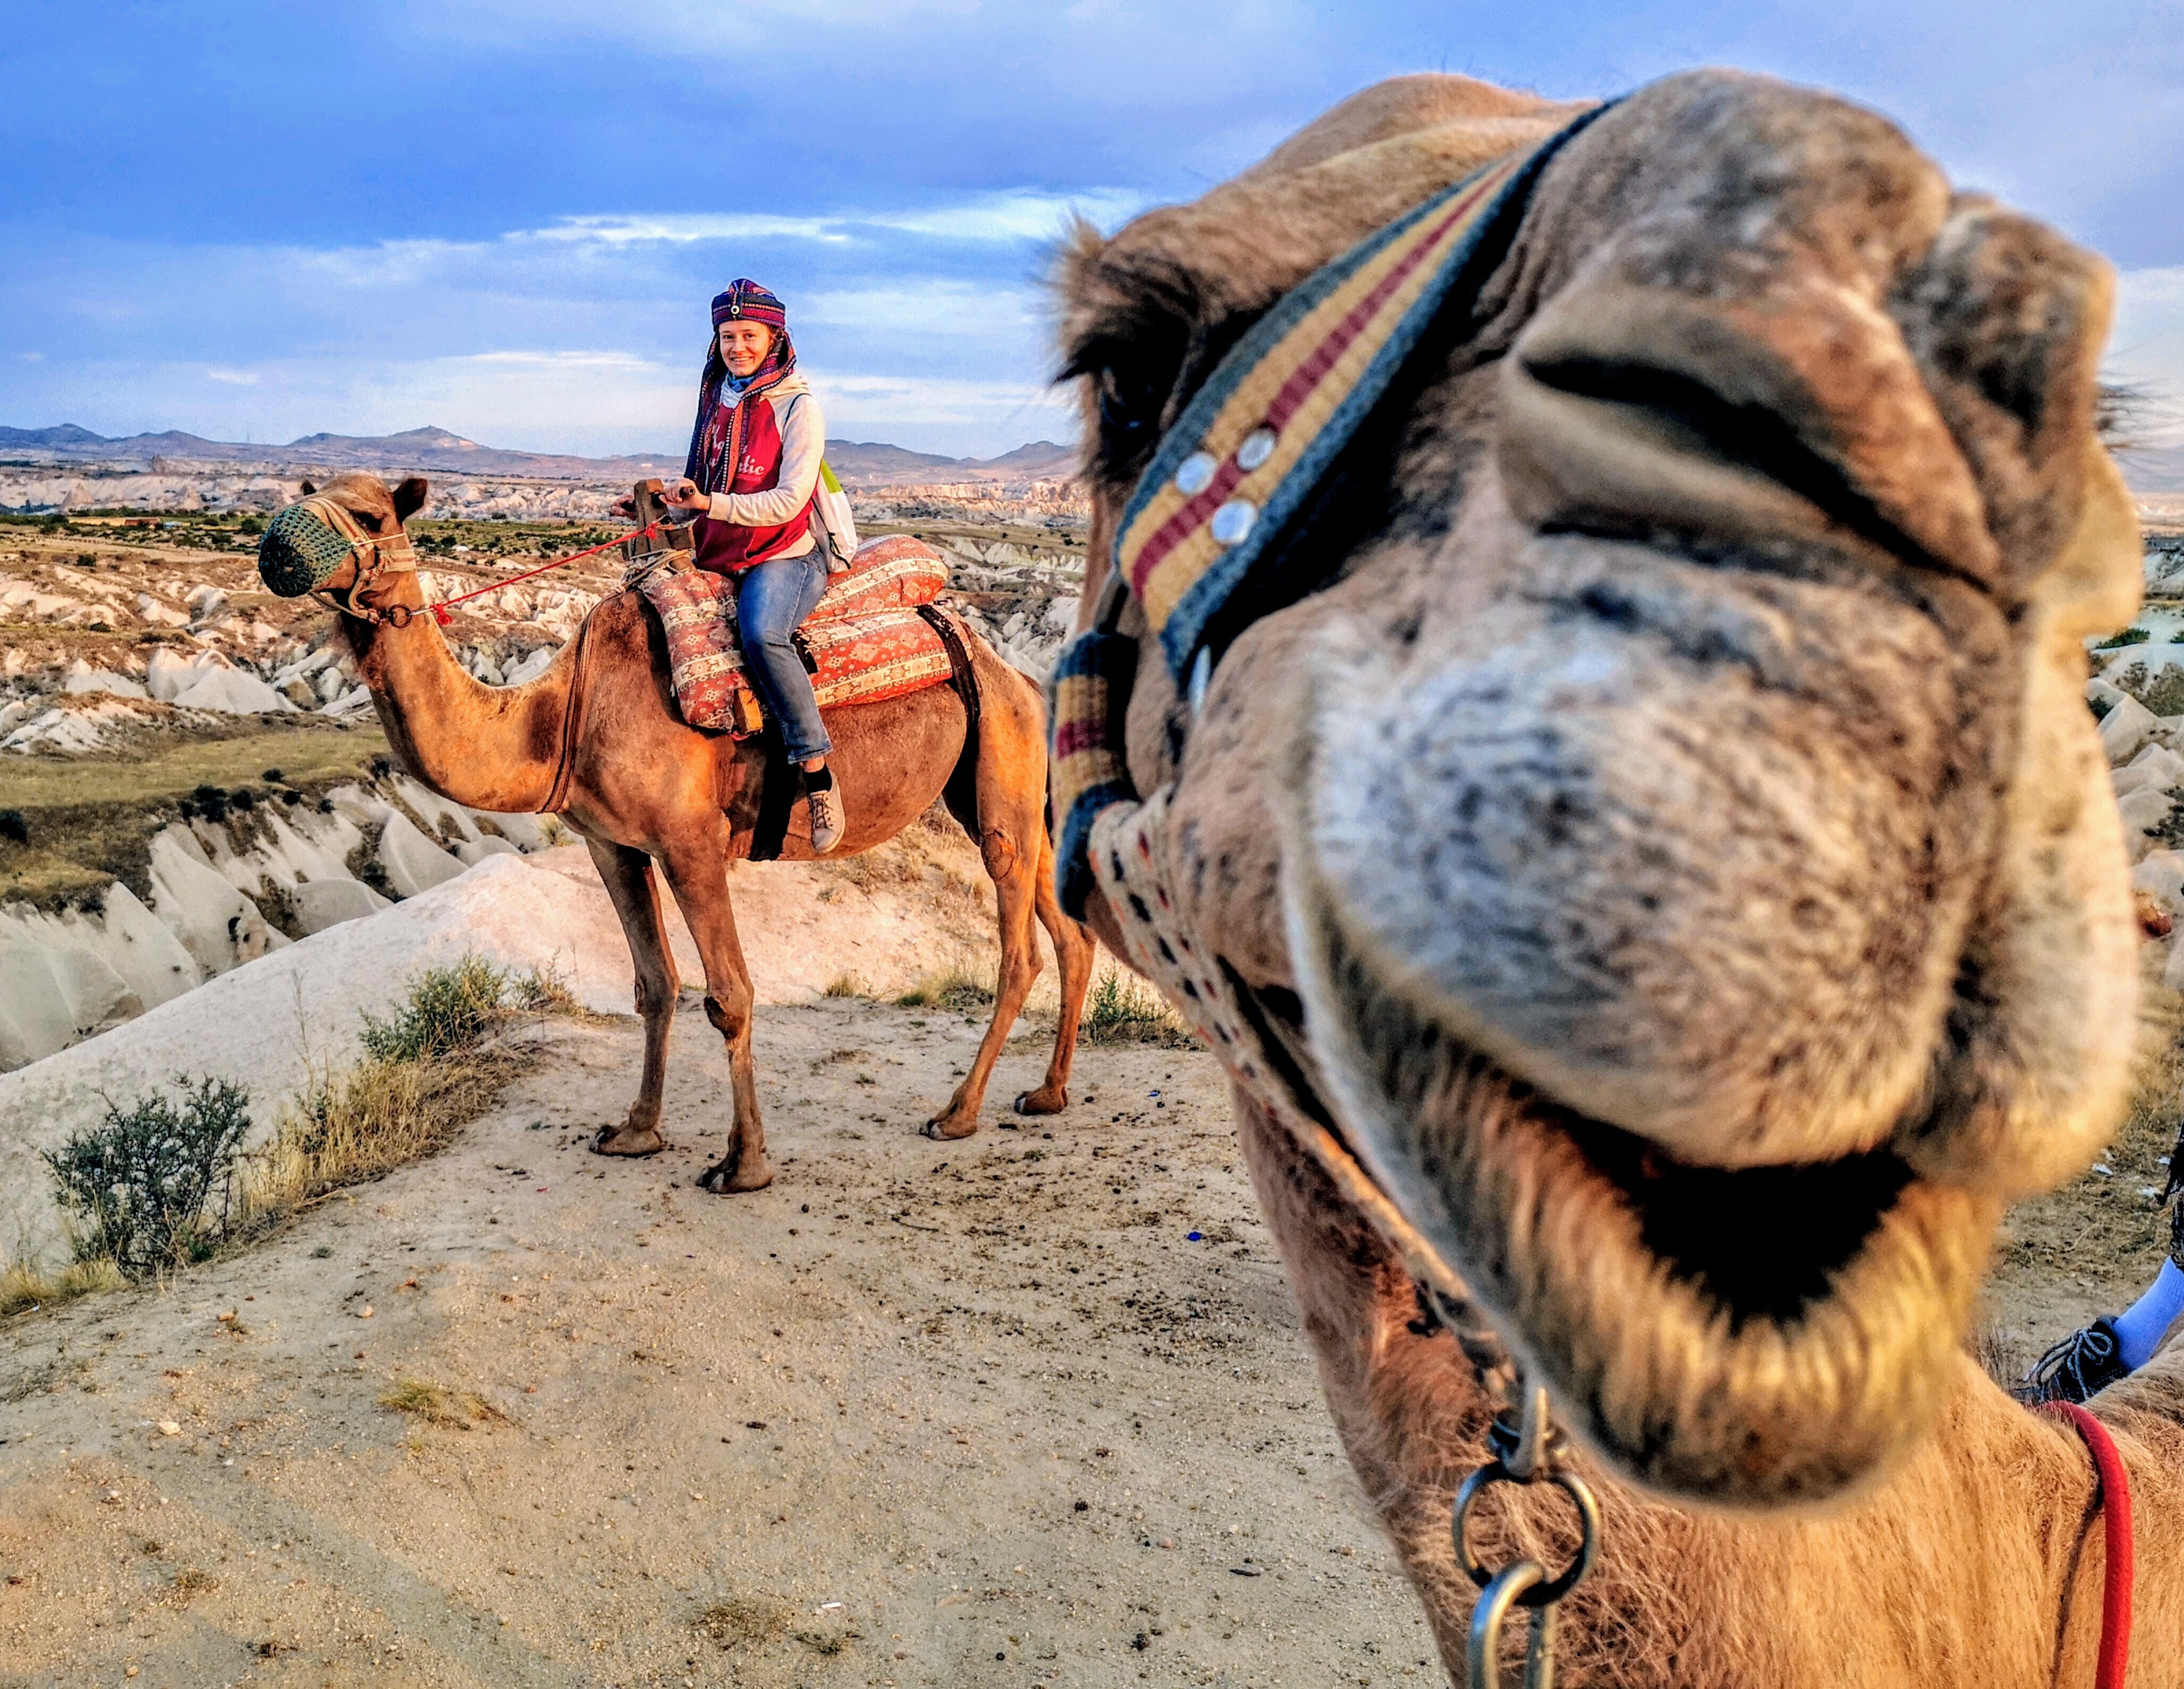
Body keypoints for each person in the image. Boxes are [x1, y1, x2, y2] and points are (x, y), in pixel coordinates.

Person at [658, 278, 844, 853]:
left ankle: (817, 771)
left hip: (787, 551)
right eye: (727, 336)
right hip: (726, 544)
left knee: (763, 633)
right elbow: (709, 477)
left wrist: (708, 505)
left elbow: (789, 501)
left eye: (748, 335)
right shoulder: (719, 399)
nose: (737, 346)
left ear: (774, 338)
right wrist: (664, 501)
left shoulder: (798, 407)